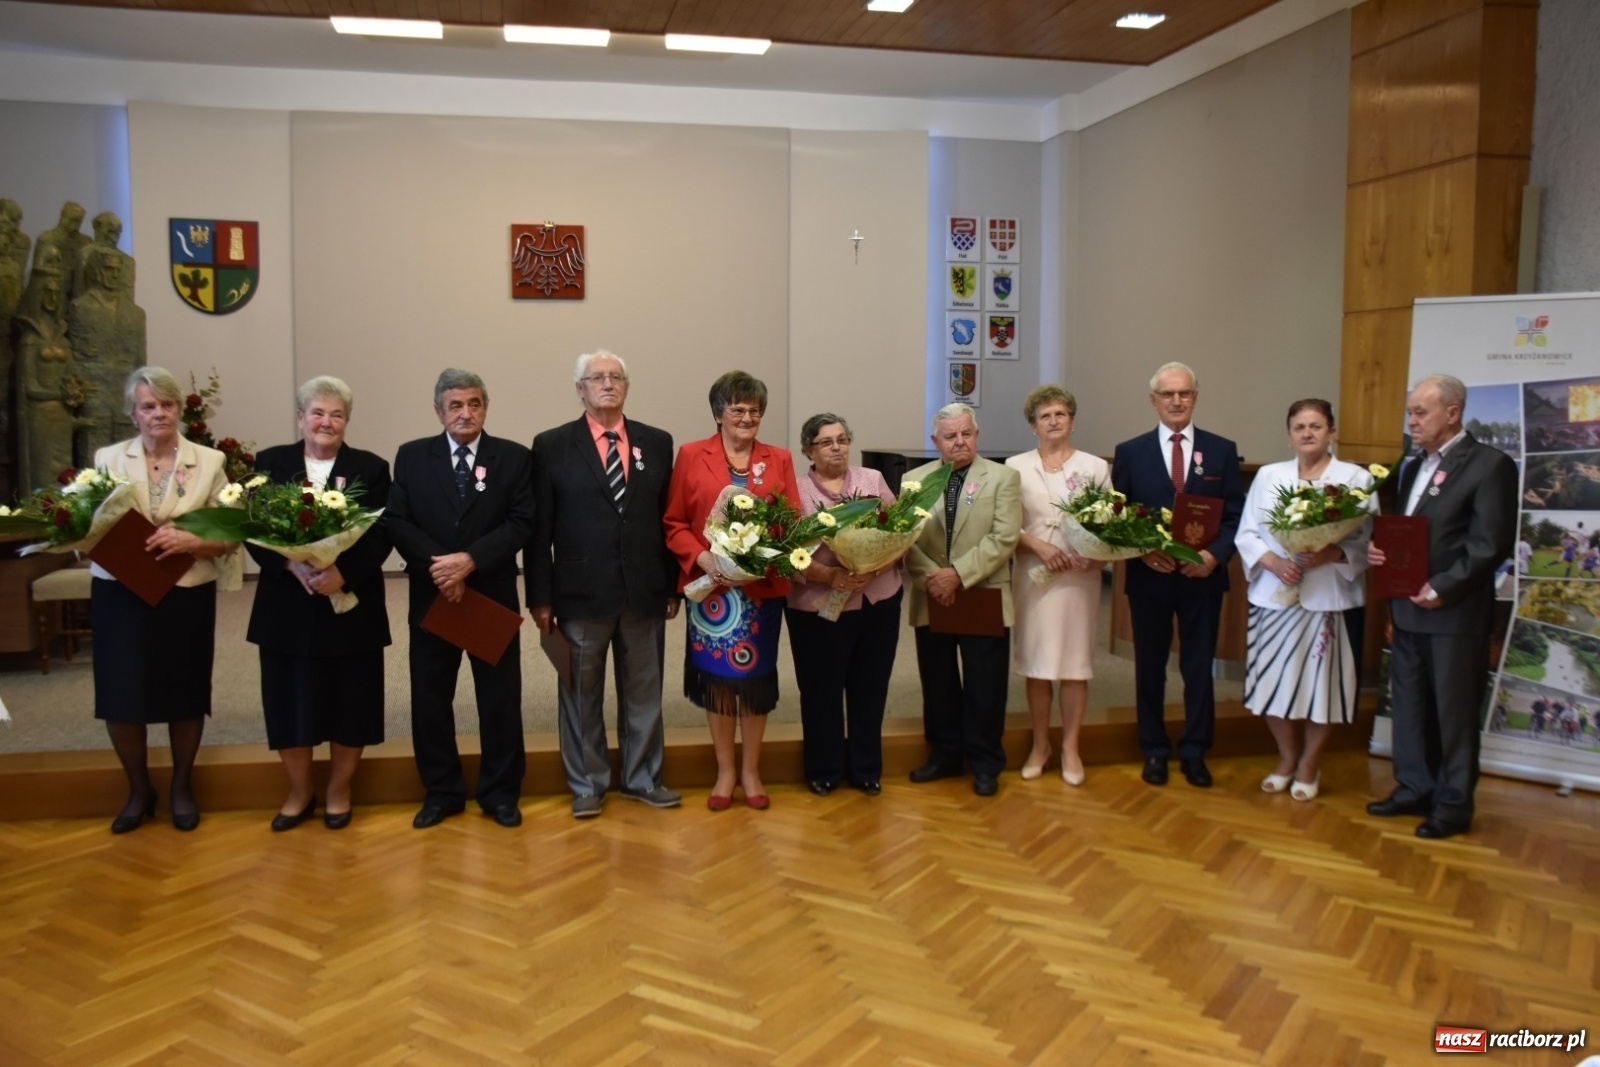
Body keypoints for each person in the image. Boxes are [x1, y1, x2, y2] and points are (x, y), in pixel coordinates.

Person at [528, 350, 682, 819]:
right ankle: (587, 784)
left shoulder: (657, 442)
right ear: (580, 389)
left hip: (643, 590)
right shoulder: (551, 445)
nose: (607, 384)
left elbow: (668, 519)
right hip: (579, 593)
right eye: (597, 378)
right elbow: (539, 531)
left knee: (644, 692)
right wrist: (540, 597)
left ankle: (643, 778)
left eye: (616, 377)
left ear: (627, 387)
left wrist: (672, 586)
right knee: (580, 694)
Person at [1367, 373, 1517, 839]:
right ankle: (1414, 786)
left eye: (1420, 412)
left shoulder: (1490, 465)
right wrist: (1380, 551)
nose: (1411, 421)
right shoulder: (1412, 467)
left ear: (1452, 413)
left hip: (1455, 613)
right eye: (1409, 412)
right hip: (1408, 609)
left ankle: (1453, 804)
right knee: (1409, 706)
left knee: (1454, 715)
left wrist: (1445, 587)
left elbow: (1490, 543)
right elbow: (1408, 533)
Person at [387, 369, 534, 829]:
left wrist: (470, 561)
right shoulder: (412, 456)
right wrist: (443, 569)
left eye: (474, 404)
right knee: (431, 698)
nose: (465, 413)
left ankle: (501, 793)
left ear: (485, 408)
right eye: (455, 405)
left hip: (490, 593)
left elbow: (521, 522)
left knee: (499, 699)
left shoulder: (513, 457)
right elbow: (397, 520)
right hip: (434, 594)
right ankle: (442, 792)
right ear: (439, 411)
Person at [245, 376, 391, 830]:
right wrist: (289, 564)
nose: (327, 422)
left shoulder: (371, 468)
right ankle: (299, 791)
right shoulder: (270, 463)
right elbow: (249, 526)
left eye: (337, 415)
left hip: (350, 604)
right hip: (288, 604)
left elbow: (384, 531)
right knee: (290, 702)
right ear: (300, 418)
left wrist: (343, 572)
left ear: (347, 420)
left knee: (351, 702)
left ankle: (338, 790)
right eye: (318, 413)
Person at [93, 367, 235, 833]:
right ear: (132, 413)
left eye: (167, 404)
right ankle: (138, 789)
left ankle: (181, 786)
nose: (159, 413)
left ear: (180, 410)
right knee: (121, 694)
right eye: (148, 406)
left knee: (184, 689)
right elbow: (88, 523)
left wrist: (193, 541)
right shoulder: (108, 459)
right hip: (121, 591)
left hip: (185, 590)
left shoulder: (209, 461)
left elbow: (231, 535)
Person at [663, 371, 801, 811]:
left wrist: (762, 560)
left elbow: (793, 523)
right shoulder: (691, 454)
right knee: (719, 683)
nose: (746, 417)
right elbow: (673, 522)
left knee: (754, 682)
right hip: (713, 592)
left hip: (761, 590)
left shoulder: (779, 459)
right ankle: (725, 771)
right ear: (718, 413)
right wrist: (703, 559)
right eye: (737, 409)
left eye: (754, 410)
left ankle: (751, 771)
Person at [1111, 361, 1244, 789]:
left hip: (1202, 578)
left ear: (1195, 398)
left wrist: (1213, 556)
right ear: (1153, 400)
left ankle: (1194, 751)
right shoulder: (1130, 453)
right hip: (1150, 577)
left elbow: (1235, 516)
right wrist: (1143, 552)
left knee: (1198, 666)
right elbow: (1117, 516)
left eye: (1184, 393)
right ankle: (1153, 749)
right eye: (1168, 394)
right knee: (1149, 667)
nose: (1176, 401)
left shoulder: (1222, 450)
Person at [1235, 399, 1372, 802]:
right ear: (1289, 435)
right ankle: (1287, 758)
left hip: (1327, 600)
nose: (1308, 433)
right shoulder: (1268, 476)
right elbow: (1247, 533)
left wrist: (1332, 553)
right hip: (1275, 597)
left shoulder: (1355, 479)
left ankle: (1310, 763)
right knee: (1271, 684)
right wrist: (1274, 562)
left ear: (1332, 432)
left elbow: (1368, 543)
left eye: (1316, 426)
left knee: (1322, 689)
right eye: (1300, 427)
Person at [905, 403, 1022, 797]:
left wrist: (957, 574)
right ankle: (944, 755)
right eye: (950, 436)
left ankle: (985, 761)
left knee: (985, 685)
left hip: (982, 591)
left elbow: (1004, 537)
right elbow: (904, 538)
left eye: (966, 434)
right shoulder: (913, 480)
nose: (959, 442)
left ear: (977, 435)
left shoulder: (1003, 477)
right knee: (938, 682)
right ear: (935, 440)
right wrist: (934, 578)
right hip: (933, 594)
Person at [785, 413, 903, 796]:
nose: (836, 447)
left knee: (871, 686)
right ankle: (824, 769)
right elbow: (786, 553)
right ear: (808, 450)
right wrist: (828, 575)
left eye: (842, 440)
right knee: (821, 689)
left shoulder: (872, 480)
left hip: (877, 600)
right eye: (826, 442)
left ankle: (866, 768)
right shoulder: (796, 490)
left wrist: (874, 567)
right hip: (817, 607)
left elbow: (900, 533)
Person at [1006, 385, 1108, 786]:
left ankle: (1070, 747)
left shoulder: (1094, 466)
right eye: (1045, 416)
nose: (1053, 421)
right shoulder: (1014, 466)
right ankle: (1040, 745)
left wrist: (1097, 555)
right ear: (1033, 426)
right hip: (1034, 575)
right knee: (1037, 665)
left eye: (1060, 414)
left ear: (1072, 421)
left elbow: (1109, 522)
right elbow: (1006, 526)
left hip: (1078, 577)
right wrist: (1039, 547)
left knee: (1074, 666)